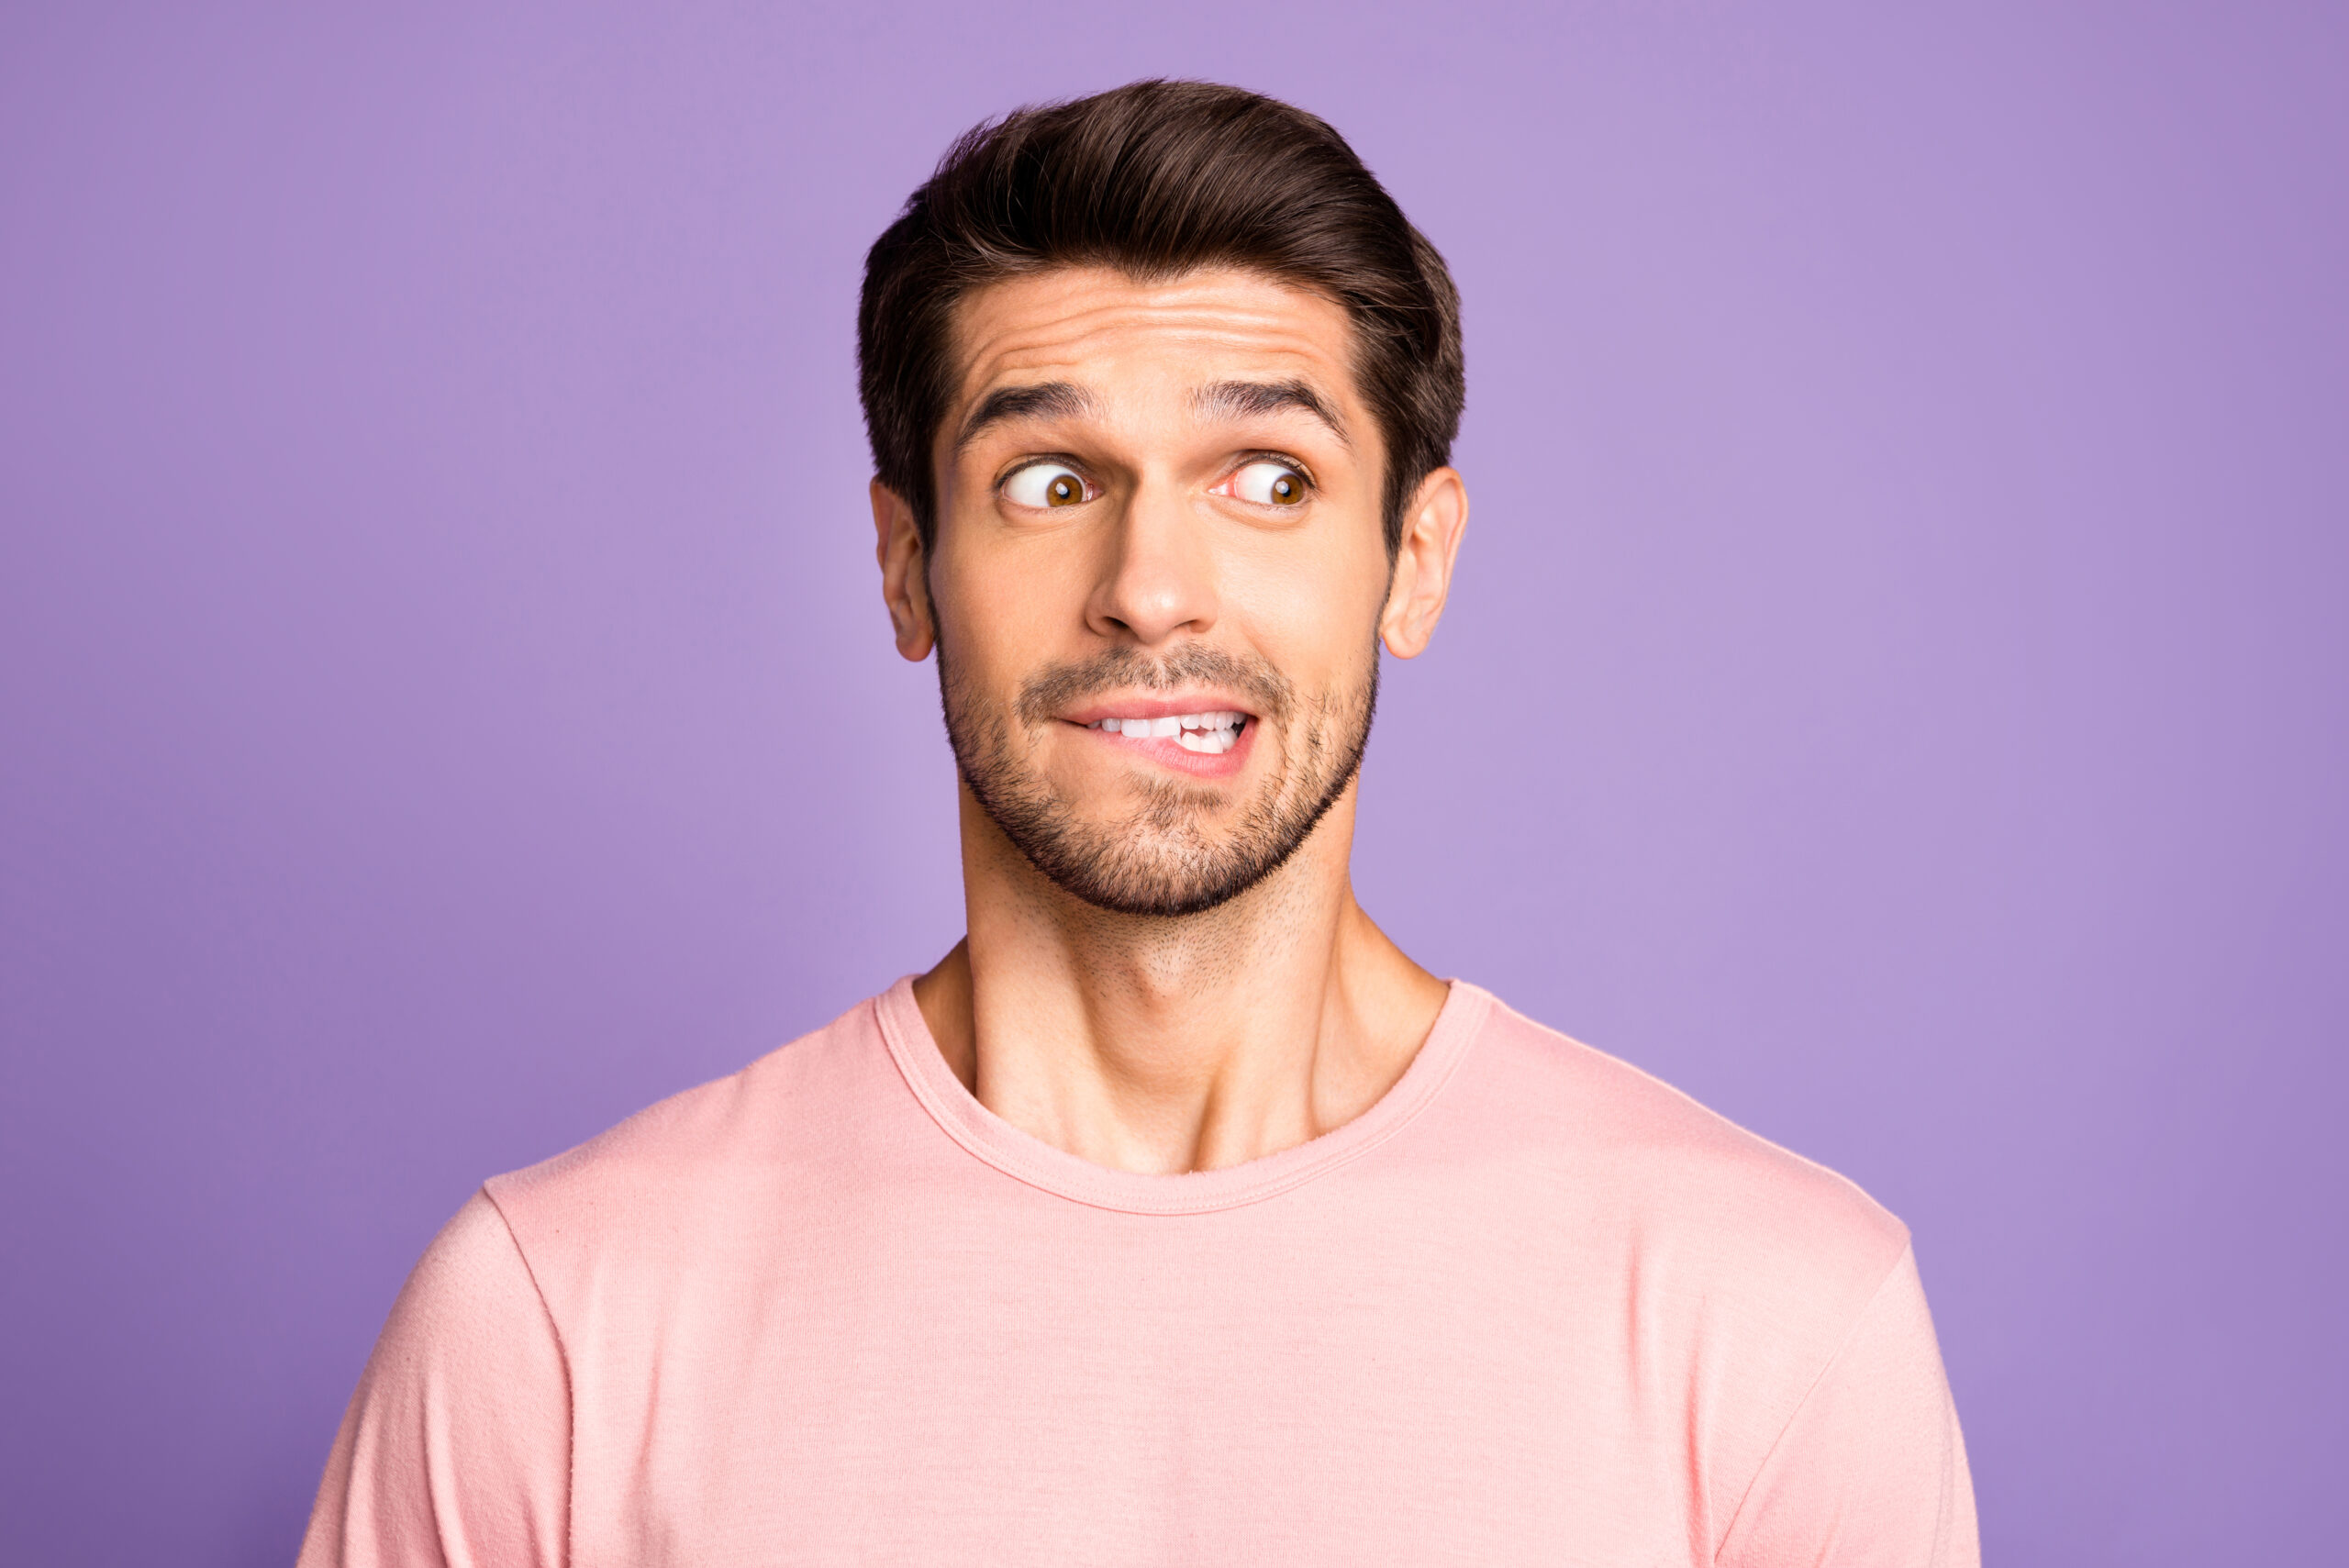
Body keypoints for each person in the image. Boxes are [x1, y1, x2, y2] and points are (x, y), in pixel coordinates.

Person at [299, 79, 1977, 1565]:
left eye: (1267, 476)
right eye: (1049, 481)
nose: (1152, 590)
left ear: (1416, 557)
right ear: (906, 566)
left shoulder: (1775, 1318)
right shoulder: (559, 1316)